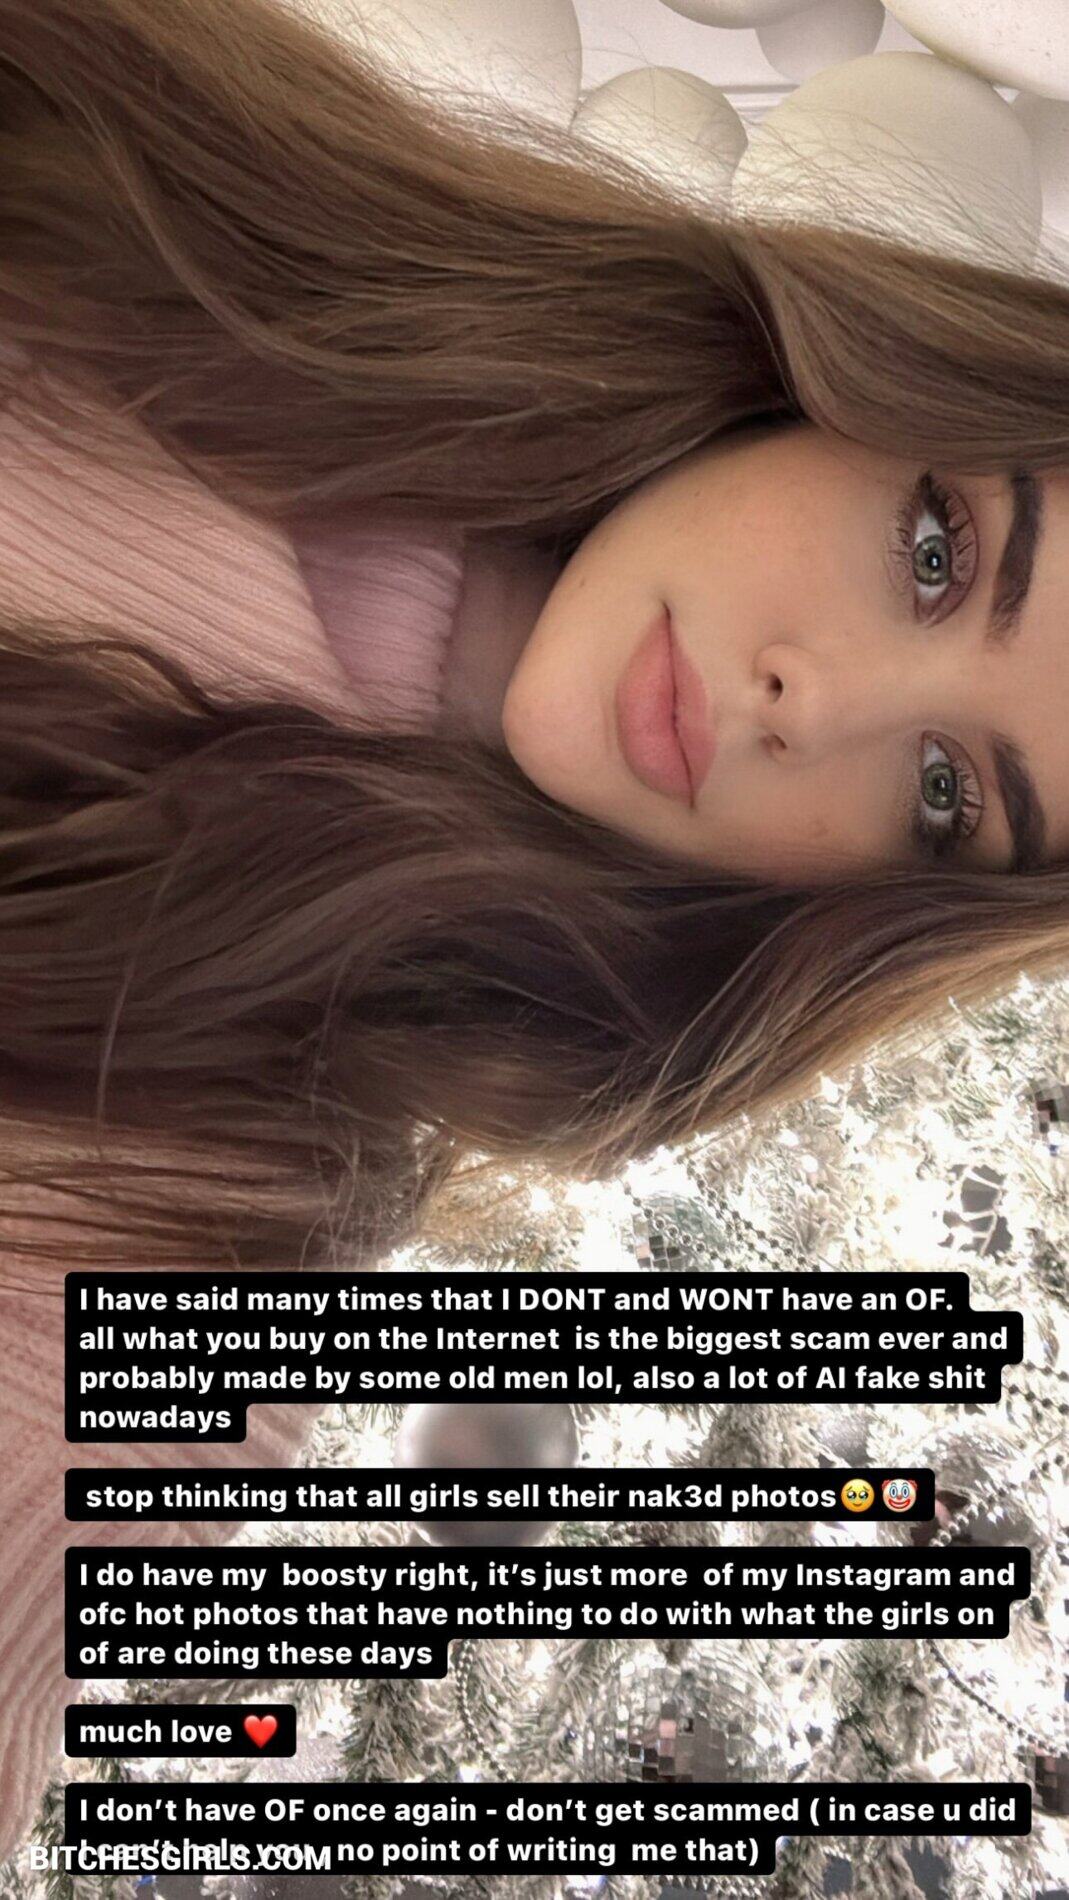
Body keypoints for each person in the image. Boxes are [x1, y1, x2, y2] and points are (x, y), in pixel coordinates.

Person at [0, 0, 1067, 1857]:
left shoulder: (221, 1182)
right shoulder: (190, 178)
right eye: (935, 553)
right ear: (862, 375)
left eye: (942, 795)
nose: (807, 701)